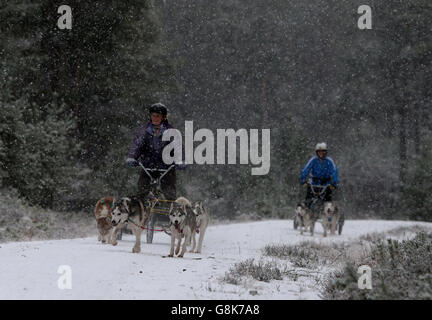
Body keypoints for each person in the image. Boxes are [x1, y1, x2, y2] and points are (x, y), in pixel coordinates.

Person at [125, 103, 183, 201]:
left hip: (166, 168)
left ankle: (171, 211)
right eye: (153, 115)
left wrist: (181, 160)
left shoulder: (171, 131)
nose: (155, 118)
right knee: (142, 191)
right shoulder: (144, 130)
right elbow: (137, 145)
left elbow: (178, 147)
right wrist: (132, 157)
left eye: (158, 116)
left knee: (169, 193)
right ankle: (141, 212)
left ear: (163, 117)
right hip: (148, 167)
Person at [299, 142, 338, 208]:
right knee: (308, 199)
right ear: (317, 152)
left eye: (323, 151)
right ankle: (306, 212)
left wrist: (334, 183)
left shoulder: (329, 161)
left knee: (328, 200)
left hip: (326, 183)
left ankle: (329, 214)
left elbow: (334, 172)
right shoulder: (313, 160)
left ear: (325, 152)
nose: (321, 153)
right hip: (314, 183)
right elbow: (306, 169)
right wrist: (302, 180)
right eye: (319, 151)